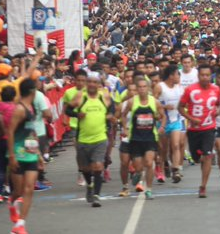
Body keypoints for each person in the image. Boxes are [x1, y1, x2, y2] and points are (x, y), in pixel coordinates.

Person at [65, 72, 111, 207]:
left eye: (94, 82)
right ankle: (89, 185)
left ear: (98, 84)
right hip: (83, 138)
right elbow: (68, 110)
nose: (91, 84)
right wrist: (76, 114)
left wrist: (111, 116)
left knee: (97, 166)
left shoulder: (105, 96)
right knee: (85, 168)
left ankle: (96, 195)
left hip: (100, 137)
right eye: (89, 82)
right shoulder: (80, 96)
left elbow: (112, 108)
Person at [178, 63, 220, 198]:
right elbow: (180, 107)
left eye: (207, 75)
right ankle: (200, 157)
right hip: (194, 129)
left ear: (211, 76)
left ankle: (203, 186)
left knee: (207, 156)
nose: (205, 77)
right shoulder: (190, 90)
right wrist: (191, 118)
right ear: (198, 76)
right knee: (197, 158)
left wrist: (217, 112)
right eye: (202, 75)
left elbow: (218, 105)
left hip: (209, 128)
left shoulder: (216, 89)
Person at [7, 79, 44, 234]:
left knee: (29, 189)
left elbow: (32, 132)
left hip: (30, 154)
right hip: (18, 154)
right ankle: (12, 201)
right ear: (31, 91)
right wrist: (12, 156)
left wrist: (39, 154)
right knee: (19, 191)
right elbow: (9, 132)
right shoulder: (19, 110)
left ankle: (20, 224)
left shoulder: (32, 108)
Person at [121, 76, 165, 200]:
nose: (142, 89)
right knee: (139, 167)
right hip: (135, 138)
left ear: (148, 88)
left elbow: (163, 115)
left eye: (144, 87)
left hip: (150, 137)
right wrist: (125, 127)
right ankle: (138, 173)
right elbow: (123, 115)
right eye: (139, 87)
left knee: (149, 163)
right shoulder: (131, 102)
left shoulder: (154, 101)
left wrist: (161, 126)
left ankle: (149, 189)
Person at [154, 64, 185, 183]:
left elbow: (184, 102)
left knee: (176, 145)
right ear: (171, 76)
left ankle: (175, 170)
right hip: (162, 121)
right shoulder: (160, 87)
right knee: (163, 149)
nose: (179, 77)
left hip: (175, 120)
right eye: (177, 74)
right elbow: (152, 102)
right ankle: (161, 169)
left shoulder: (179, 88)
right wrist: (164, 106)